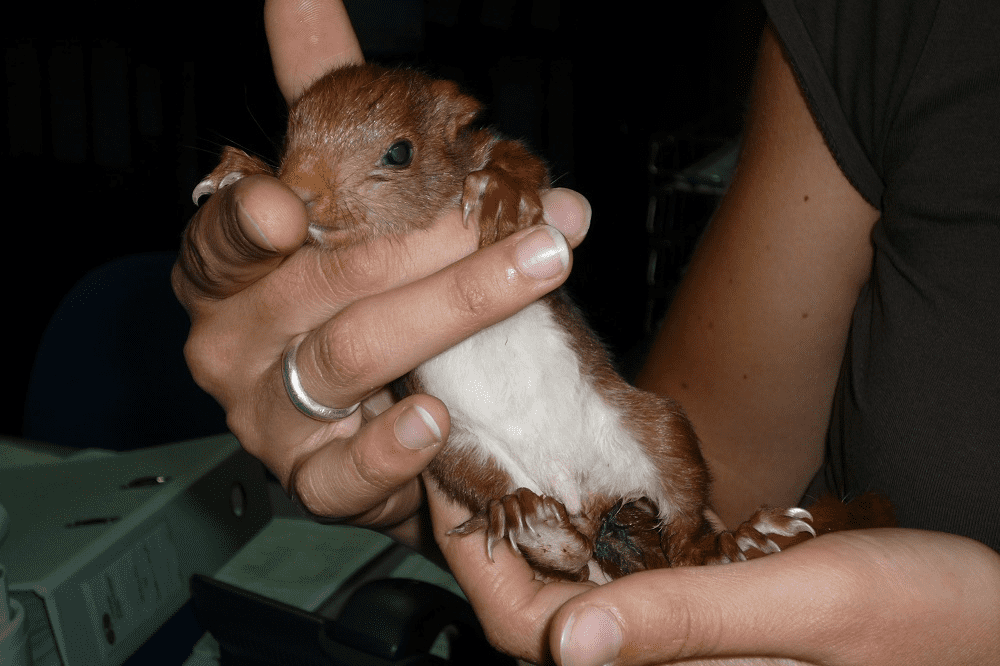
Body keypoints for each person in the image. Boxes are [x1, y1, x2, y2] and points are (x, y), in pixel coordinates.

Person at [173, 0, 1000, 664]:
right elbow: (729, 449)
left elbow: (511, 171)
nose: (316, 194)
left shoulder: (475, 170)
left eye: (387, 159)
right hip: (515, 465)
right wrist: (404, 495)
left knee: (645, 447)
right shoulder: (885, 26)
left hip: (600, 469)